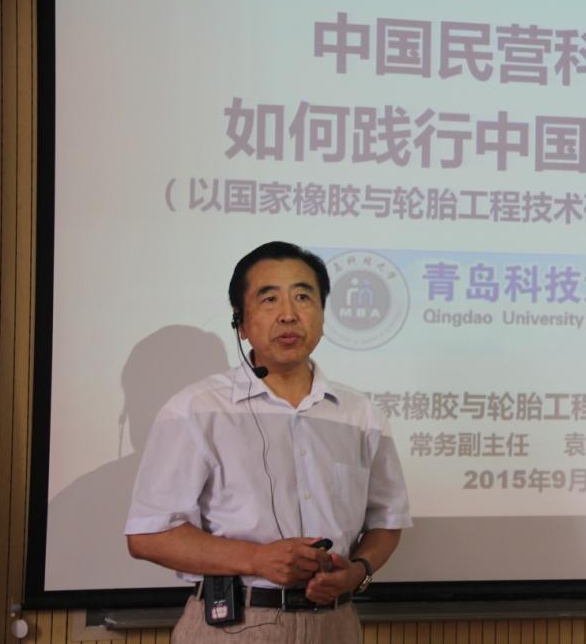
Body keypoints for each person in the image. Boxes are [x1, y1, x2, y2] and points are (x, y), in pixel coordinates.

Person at [125, 241, 411, 643]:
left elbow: (387, 521)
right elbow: (148, 535)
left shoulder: (361, 414)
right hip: (234, 625)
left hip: (337, 624)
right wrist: (257, 559)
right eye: (269, 298)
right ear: (241, 323)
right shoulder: (196, 408)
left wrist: (358, 571)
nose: (289, 314)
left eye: (303, 297)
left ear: (323, 315)